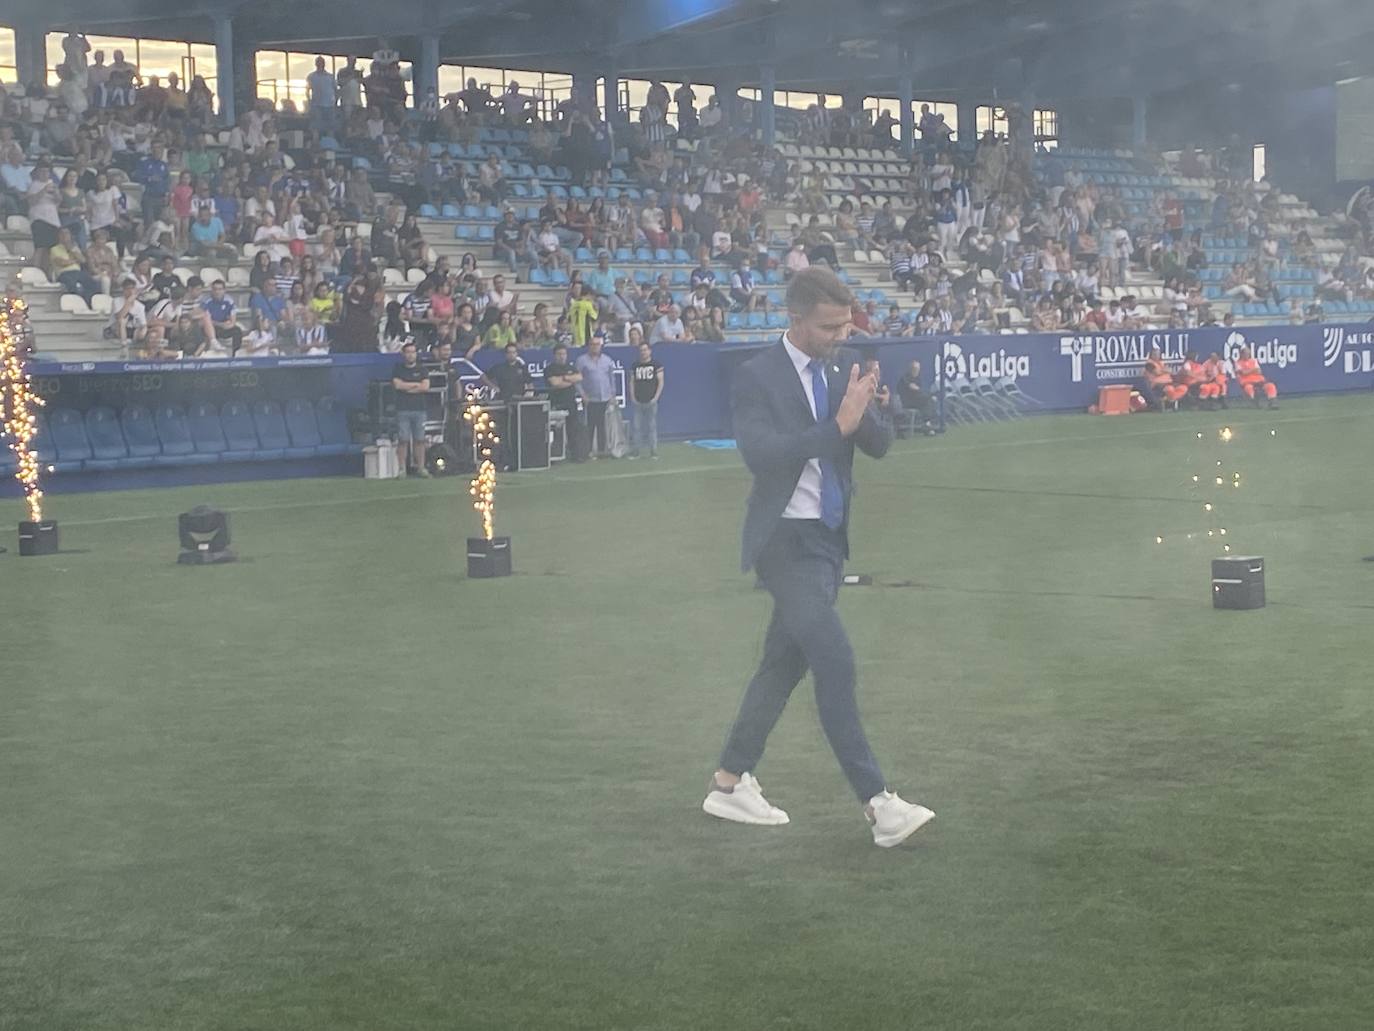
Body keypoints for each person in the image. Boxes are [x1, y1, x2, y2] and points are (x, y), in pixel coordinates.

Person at [702, 267, 934, 848]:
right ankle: (879, 805)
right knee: (835, 660)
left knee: (782, 665)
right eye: (829, 326)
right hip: (783, 544)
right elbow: (764, 457)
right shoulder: (756, 377)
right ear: (794, 318)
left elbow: (878, 444)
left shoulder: (843, 365)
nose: (839, 335)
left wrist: (868, 408)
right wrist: (839, 424)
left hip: (828, 542)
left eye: (845, 325)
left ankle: (729, 782)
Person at [391, 340, 432, 477]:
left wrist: (407, 387)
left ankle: (421, 467)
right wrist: (416, 386)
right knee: (403, 439)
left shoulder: (422, 369)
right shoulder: (398, 369)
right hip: (403, 409)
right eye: (407, 352)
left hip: (420, 409)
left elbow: (425, 387)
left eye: (413, 352)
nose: (410, 355)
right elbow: (397, 385)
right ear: (403, 354)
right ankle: (402, 469)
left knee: (420, 439)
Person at [575, 331, 616, 459]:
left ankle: (602, 450)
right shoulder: (581, 361)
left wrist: (612, 395)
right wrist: (582, 395)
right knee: (590, 426)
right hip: (590, 399)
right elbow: (577, 380)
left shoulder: (607, 360)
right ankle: (587, 451)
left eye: (597, 344)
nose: (595, 347)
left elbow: (611, 378)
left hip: (604, 397)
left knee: (602, 426)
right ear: (589, 346)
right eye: (592, 344)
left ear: (601, 346)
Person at [543, 342, 584, 462]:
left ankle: (576, 455)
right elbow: (555, 384)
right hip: (556, 403)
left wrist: (564, 379)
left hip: (570, 402)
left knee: (573, 429)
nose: (562, 356)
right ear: (554, 355)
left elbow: (579, 377)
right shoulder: (549, 369)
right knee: (556, 430)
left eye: (564, 354)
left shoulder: (571, 367)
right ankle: (555, 455)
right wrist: (570, 380)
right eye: (559, 354)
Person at [628, 340, 664, 460]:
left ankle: (653, 451)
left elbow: (661, 382)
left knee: (651, 426)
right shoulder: (635, 365)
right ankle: (636, 451)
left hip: (651, 400)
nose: (643, 352)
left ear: (650, 351)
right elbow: (632, 382)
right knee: (636, 427)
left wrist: (656, 397)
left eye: (645, 350)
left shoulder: (656, 365)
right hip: (638, 400)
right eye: (641, 350)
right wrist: (632, 396)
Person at [897, 360, 938, 436]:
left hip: (917, 401)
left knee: (927, 402)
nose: (917, 371)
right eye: (915, 369)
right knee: (927, 400)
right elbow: (914, 388)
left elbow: (919, 391)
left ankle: (927, 424)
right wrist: (929, 396)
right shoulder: (905, 378)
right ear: (911, 369)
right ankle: (927, 425)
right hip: (906, 402)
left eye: (918, 369)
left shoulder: (918, 379)